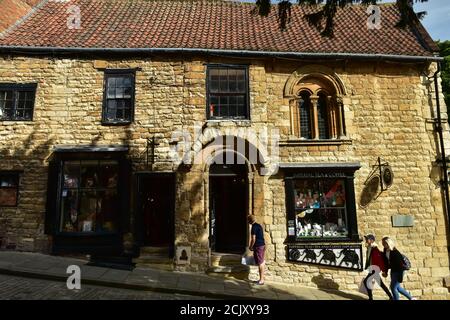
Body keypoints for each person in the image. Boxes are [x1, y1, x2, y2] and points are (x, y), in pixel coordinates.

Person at [363, 234, 393, 300]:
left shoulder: (375, 249)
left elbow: (379, 261)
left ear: (372, 240)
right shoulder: (370, 247)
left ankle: (371, 298)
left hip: (375, 269)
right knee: (380, 284)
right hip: (373, 268)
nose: (366, 240)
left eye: (367, 239)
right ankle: (391, 297)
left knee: (366, 281)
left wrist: (384, 270)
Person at [248, 215, 265, 285]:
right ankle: (263, 278)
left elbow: (253, 239)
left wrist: (250, 247)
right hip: (262, 245)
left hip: (258, 246)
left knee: (260, 263)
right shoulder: (259, 226)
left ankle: (261, 280)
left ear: (249, 221)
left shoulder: (254, 227)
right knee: (262, 262)